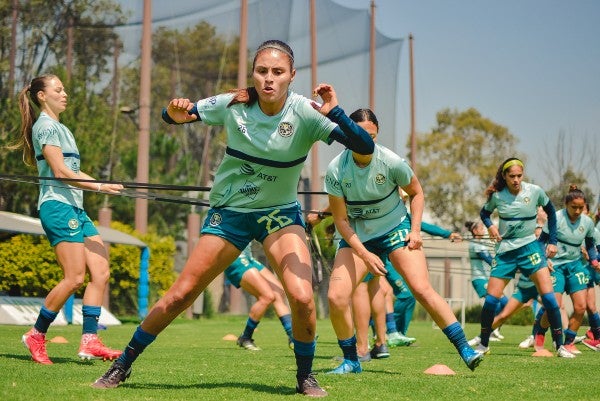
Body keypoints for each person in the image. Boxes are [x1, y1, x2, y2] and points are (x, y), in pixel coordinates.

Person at [92, 39, 375, 397]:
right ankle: (123, 364)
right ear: (253, 74)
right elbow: (175, 116)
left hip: (279, 216)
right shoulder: (232, 103)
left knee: (302, 298)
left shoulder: (306, 111)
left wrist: (336, 112)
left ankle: (305, 376)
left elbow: (365, 147)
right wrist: (174, 111)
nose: (269, 78)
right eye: (262, 71)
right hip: (230, 213)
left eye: (277, 72)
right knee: (181, 295)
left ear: (291, 76)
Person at [323, 108, 482, 374]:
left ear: (377, 135)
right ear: (348, 135)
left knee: (420, 288)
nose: (364, 142)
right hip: (358, 236)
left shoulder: (392, 162)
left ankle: (465, 348)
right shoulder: (336, 170)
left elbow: (416, 193)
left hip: (395, 228)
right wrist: (364, 254)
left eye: (370, 136)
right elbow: (340, 221)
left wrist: (416, 230)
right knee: (336, 296)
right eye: (358, 135)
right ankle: (352, 360)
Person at [13, 74, 124, 364]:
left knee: (100, 272)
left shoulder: (62, 128)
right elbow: (61, 173)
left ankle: (90, 341)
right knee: (74, 278)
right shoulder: (46, 127)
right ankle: (36, 334)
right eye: (58, 90)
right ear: (41, 96)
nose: (65, 94)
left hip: (75, 207)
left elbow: (74, 173)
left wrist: (105, 184)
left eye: (64, 90)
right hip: (58, 207)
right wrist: (98, 186)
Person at [473, 157, 574, 358]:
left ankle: (560, 346)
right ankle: (483, 345)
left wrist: (552, 241)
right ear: (505, 176)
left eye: (519, 176)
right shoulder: (497, 196)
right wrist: (491, 226)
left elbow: (551, 213)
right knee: (491, 302)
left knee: (550, 300)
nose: (516, 180)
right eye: (512, 176)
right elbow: (484, 214)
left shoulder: (534, 191)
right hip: (505, 252)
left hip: (531, 249)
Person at [531, 185, 598, 353]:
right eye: (573, 207)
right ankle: (540, 331)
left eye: (580, 208)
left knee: (581, 307)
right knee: (554, 305)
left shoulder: (588, 223)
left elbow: (590, 245)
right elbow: (540, 242)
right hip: (556, 267)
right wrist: (544, 260)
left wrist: (595, 260)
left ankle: (568, 342)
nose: (577, 211)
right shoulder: (557, 218)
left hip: (576, 266)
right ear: (566, 204)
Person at [225, 243, 293, 351]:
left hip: (248, 258)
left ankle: (293, 336)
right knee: (267, 296)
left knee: (278, 292)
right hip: (235, 258)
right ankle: (245, 337)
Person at [465, 220, 507, 345]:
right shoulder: (474, 244)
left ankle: (493, 329)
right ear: (475, 231)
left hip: (488, 279)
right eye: (481, 228)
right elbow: (488, 259)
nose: (484, 230)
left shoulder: (482, 243)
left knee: (504, 303)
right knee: (496, 303)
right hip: (479, 279)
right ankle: (489, 331)